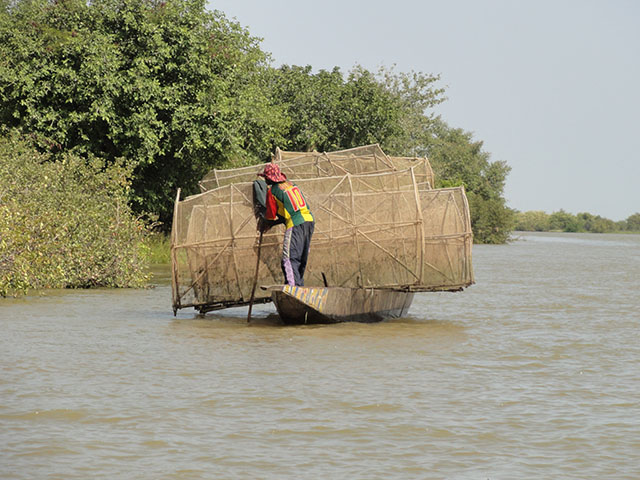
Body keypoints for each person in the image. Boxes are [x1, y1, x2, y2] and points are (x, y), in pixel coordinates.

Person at [257, 163, 314, 286]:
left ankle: (293, 288)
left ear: (269, 178)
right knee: (301, 256)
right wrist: (274, 224)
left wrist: (266, 222)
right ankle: (299, 284)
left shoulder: (273, 191)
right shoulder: (291, 185)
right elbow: (290, 212)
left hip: (296, 223)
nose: (265, 180)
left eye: (265, 177)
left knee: (289, 259)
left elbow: (271, 215)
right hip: (309, 221)